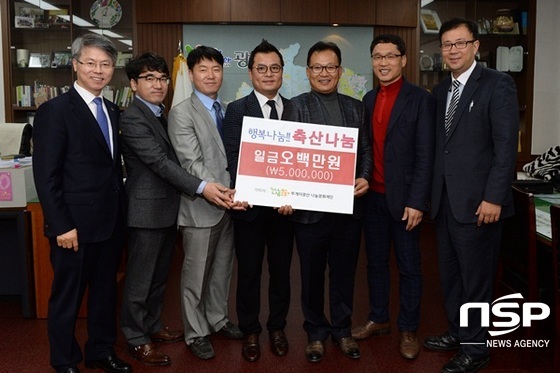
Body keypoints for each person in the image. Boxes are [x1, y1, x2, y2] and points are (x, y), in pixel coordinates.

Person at [119, 52, 235, 366]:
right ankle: (136, 338)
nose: (158, 84)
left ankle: (153, 326)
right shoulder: (133, 117)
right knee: (140, 280)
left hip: (168, 208)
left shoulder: (159, 113)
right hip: (147, 210)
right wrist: (203, 187)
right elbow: (161, 162)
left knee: (158, 278)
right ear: (133, 84)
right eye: (149, 79)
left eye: (162, 78)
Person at [32, 34, 131, 373]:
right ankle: (64, 361)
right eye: (91, 63)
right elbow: (46, 176)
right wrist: (61, 225)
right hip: (72, 227)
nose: (98, 71)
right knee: (67, 299)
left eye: (105, 64)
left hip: (109, 222)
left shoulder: (114, 110)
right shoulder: (53, 112)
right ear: (75, 64)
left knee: (105, 296)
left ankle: (100, 352)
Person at [423, 18, 518, 373]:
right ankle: (457, 331)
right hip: (446, 202)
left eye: (460, 43)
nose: (452, 51)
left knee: (476, 279)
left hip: (480, 205)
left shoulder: (498, 84)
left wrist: (494, 197)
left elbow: (505, 146)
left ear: (476, 46)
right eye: (446, 44)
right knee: (450, 275)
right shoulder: (440, 91)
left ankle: (477, 350)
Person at [283, 41, 372, 363]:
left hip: (347, 209)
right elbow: (289, 158)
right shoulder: (295, 106)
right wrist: (286, 195)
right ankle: (315, 332)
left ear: (340, 70)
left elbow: (365, 151)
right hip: (310, 211)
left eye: (330, 67)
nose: (324, 73)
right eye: (317, 67)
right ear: (308, 72)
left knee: (345, 273)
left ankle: (342, 330)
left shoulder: (355, 106)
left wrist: (364, 175)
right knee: (311, 275)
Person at [351, 34, 435, 360]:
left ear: (403, 60)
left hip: (405, 202)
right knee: (374, 264)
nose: (383, 63)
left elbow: (426, 155)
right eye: (377, 57)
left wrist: (417, 201)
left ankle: (409, 327)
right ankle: (379, 318)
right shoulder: (368, 99)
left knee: (410, 266)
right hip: (372, 197)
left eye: (390, 56)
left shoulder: (420, 99)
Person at [168, 45, 243, 361]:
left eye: (216, 69)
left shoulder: (225, 108)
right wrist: (225, 192)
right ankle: (195, 332)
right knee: (195, 275)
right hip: (202, 206)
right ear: (191, 73)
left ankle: (217, 318)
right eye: (203, 69)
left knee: (222, 269)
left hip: (229, 205)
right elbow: (191, 162)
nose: (211, 75)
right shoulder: (181, 112)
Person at [222, 40, 294, 362]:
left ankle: (277, 327)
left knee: (281, 273)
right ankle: (250, 329)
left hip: (284, 211)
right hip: (249, 210)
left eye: (274, 68)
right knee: (249, 273)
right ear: (251, 73)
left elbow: (298, 162)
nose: (268, 74)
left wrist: (291, 195)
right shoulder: (236, 110)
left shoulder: (294, 108)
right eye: (261, 68)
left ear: (282, 73)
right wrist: (249, 191)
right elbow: (235, 157)